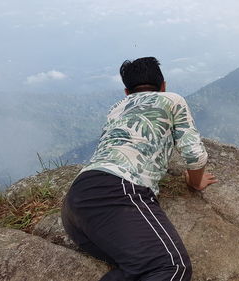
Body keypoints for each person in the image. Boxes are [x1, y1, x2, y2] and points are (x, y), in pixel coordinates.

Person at [61, 57, 217, 281]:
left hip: (75, 206)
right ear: (163, 86)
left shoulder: (116, 109)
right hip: (117, 191)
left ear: (127, 92)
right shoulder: (171, 100)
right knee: (171, 268)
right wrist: (194, 183)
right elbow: (195, 155)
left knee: (138, 267)